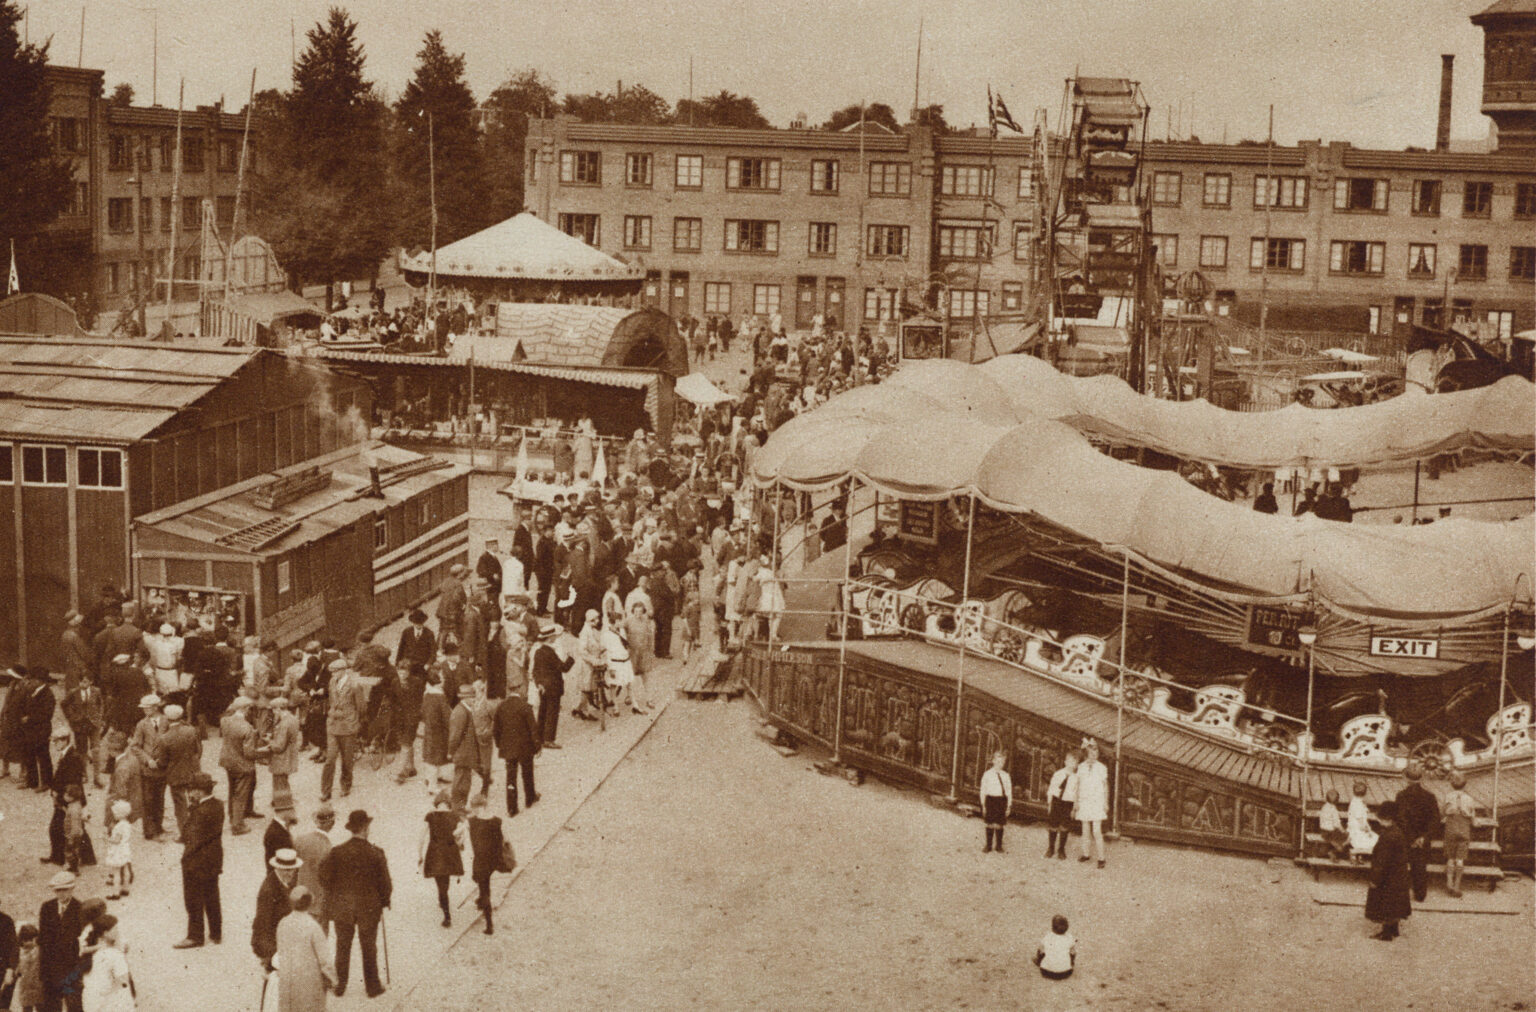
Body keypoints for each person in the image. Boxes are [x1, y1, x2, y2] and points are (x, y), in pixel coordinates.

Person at [319, 810, 391, 999]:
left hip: (343, 908)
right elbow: (386, 884)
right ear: (365, 829)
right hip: (369, 908)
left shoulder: (337, 852)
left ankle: (339, 985)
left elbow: (323, 876)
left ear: (352, 829)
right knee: (369, 947)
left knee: (343, 946)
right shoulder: (376, 853)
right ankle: (372, 987)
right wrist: (384, 901)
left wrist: (335, 892)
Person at [174, 772, 224, 949]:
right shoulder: (217, 805)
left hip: (196, 862)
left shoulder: (200, 811)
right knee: (212, 895)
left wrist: (185, 860)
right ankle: (216, 932)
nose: (189, 793)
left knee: (193, 899)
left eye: (191, 790)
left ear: (199, 792)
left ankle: (195, 936)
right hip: (213, 859)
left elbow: (189, 835)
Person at [274, 887, 336, 1011]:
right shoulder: (313, 927)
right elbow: (324, 960)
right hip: (309, 982)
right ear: (310, 903)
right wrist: (333, 979)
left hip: (287, 981)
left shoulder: (282, 923)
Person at [1364, 799, 1412, 941]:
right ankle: (1394, 929)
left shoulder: (1387, 836)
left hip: (1387, 877)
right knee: (1395, 904)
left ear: (1387, 819)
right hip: (1398, 875)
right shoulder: (1397, 831)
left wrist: (1374, 879)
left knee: (1385, 903)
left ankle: (1386, 933)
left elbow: (1381, 861)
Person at [417, 791, 464, 928]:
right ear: (448, 804)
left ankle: (447, 916)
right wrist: (459, 843)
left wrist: (420, 855)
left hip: (435, 853)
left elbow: (421, 837)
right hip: (450, 853)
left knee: (440, 883)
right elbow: (461, 837)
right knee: (446, 881)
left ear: (437, 804)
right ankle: (443, 902)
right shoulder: (455, 816)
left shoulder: (430, 816)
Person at [320, 660, 364, 803]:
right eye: (332, 672)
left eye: (336, 671)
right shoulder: (332, 682)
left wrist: (355, 722)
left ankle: (345, 786)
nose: (333, 674)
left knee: (347, 759)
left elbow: (361, 707)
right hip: (333, 724)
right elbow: (332, 700)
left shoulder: (354, 685)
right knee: (330, 759)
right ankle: (325, 791)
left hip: (348, 725)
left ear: (344, 670)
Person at [38, 871, 83, 1012]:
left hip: (71, 968)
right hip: (50, 968)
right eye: (58, 890)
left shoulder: (80, 909)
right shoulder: (47, 908)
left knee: (74, 1006)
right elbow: (43, 939)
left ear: (72, 889)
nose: (61, 894)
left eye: (65, 890)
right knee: (51, 1006)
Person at [1395, 763, 1440, 903]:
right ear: (1422, 778)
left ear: (1406, 779)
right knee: (1420, 867)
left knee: (1400, 866)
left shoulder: (1401, 796)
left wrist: (1411, 838)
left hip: (1406, 838)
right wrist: (1423, 837)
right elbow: (1435, 820)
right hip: (1422, 840)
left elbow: (1400, 819)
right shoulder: (1430, 797)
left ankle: (1400, 895)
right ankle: (1420, 895)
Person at [252, 849, 302, 974]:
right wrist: (270, 956)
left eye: (293, 869)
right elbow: (262, 925)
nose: (291, 873)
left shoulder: (283, 882)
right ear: (278, 868)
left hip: (282, 944)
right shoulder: (269, 890)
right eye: (287, 870)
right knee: (273, 986)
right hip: (273, 948)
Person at [492, 688, 540, 816]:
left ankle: (512, 808)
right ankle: (530, 799)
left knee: (510, 778)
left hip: (508, 749)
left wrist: (499, 745)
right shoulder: (525, 707)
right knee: (527, 774)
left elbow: (496, 729)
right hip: (525, 748)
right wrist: (537, 747)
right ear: (520, 691)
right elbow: (533, 729)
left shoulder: (501, 707)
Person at [158, 704, 202, 843]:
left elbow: (163, 761)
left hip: (175, 774)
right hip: (192, 770)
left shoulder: (165, 738)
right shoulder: (191, 731)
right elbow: (198, 750)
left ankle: (185, 834)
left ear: (167, 719)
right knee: (195, 801)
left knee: (180, 805)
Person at [126, 696, 167, 842]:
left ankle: (158, 826)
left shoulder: (166, 721)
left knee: (160, 799)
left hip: (162, 768)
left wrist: (163, 760)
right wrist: (147, 760)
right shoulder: (142, 724)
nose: (144, 710)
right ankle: (149, 831)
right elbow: (135, 746)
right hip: (148, 769)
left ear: (156, 707)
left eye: (147, 707)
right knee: (148, 800)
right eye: (143, 708)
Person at [466, 794, 507, 936]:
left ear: (481, 807)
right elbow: (503, 839)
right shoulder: (496, 821)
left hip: (481, 861)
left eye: (475, 809)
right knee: (480, 880)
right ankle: (480, 901)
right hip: (493, 860)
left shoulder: (472, 822)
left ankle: (489, 925)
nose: (474, 811)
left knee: (484, 890)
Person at [44, 728, 85, 867]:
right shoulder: (67, 754)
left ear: (64, 740)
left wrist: (60, 794)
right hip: (66, 797)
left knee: (56, 828)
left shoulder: (72, 757)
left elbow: (72, 780)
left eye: (56, 741)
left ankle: (58, 858)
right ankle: (86, 858)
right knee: (76, 828)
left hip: (69, 798)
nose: (54, 744)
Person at [219, 697, 259, 835]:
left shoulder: (225, 721)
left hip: (227, 761)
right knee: (240, 794)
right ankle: (237, 825)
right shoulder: (247, 727)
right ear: (246, 709)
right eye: (250, 709)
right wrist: (262, 752)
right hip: (242, 764)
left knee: (232, 790)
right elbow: (249, 753)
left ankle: (232, 817)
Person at [291, 809, 334, 934]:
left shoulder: (301, 839)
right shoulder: (328, 848)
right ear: (331, 823)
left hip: (300, 899)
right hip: (319, 904)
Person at [77, 913, 132, 1012]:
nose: (118, 931)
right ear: (106, 933)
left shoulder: (91, 952)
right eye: (115, 928)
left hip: (91, 1003)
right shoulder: (115, 955)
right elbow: (124, 982)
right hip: (109, 1004)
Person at [530, 624, 573, 748]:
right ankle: (549, 739)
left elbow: (535, 671)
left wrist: (539, 684)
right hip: (553, 686)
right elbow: (563, 668)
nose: (555, 638)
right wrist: (570, 658)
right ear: (550, 638)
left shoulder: (538, 651)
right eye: (553, 636)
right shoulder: (550, 652)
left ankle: (539, 737)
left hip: (543, 687)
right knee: (552, 713)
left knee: (543, 712)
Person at [1441, 771, 1476, 898]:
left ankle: (1449, 883)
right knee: (1460, 859)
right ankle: (1457, 886)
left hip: (1451, 827)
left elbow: (1443, 812)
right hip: (1464, 828)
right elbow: (1472, 815)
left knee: (1450, 858)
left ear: (1452, 785)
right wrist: (1474, 821)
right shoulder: (1470, 799)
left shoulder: (1448, 796)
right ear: (1465, 785)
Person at [1075, 738, 1109, 869]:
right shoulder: (1081, 767)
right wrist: (1076, 802)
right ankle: (1086, 853)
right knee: (1085, 830)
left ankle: (1101, 858)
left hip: (1096, 802)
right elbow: (1078, 785)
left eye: (1096, 754)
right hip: (1084, 801)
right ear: (1086, 755)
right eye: (1091, 755)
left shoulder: (1101, 768)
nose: (1094, 757)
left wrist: (1105, 802)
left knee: (1096, 831)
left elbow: (1105, 786)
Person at [265, 697, 302, 817]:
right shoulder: (293, 719)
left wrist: (269, 741)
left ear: (279, 709)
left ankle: (284, 808)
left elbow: (279, 746)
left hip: (282, 757)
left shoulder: (284, 723)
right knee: (283, 780)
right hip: (290, 754)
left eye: (274, 710)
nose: (273, 713)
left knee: (279, 782)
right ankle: (281, 802)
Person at [418, 665, 452, 792]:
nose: (444, 678)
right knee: (434, 757)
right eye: (442, 676)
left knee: (432, 755)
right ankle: (432, 786)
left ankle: (436, 777)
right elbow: (447, 717)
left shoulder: (427, 694)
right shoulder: (440, 697)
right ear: (438, 680)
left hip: (430, 729)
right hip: (439, 732)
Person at [1045, 749, 1079, 860]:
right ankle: (1051, 848)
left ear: (1076, 765)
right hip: (1056, 801)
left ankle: (1061, 849)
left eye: (1074, 762)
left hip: (1068, 803)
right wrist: (1050, 803)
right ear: (1065, 762)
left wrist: (1074, 808)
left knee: (1064, 826)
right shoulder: (1058, 774)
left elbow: (1076, 794)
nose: (1071, 764)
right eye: (1070, 761)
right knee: (1053, 825)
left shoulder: (1076, 778)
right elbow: (1051, 789)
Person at [978, 750, 1012, 853]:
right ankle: (988, 845)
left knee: (999, 824)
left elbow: (1009, 791)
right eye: (997, 761)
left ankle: (999, 845)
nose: (999, 764)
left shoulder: (1006, 775)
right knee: (989, 823)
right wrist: (983, 804)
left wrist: (1009, 805)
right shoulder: (987, 774)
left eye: (1002, 762)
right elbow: (983, 790)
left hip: (1001, 801)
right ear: (993, 761)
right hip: (990, 800)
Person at [1033, 914, 1077, 981]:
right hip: (1065, 972)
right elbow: (1073, 953)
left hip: (1046, 971)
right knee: (1071, 951)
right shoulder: (1069, 937)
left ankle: (1038, 961)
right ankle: (1068, 964)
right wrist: (1071, 961)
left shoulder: (1048, 936)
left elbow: (1041, 950)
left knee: (1041, 949)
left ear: (1052, 927)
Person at [13, 921, 43, 1012]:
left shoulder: (37, 951)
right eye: (28, 940)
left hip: (37, 987)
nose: (30, 942)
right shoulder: (20, 953)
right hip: (28, 987)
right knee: (28, 1008)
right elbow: (16, 971)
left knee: (38, 1007)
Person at [1346, 779, 1378, 858]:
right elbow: (1360, 821)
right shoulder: (1358, 804)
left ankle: (1359, 856)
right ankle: (1354, 852)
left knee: (1371, 840)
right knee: (1374, 839)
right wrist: (1367, 830)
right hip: (1357, 829)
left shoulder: (1356, 801)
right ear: (1365, 794)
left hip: (1357, 827)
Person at [1318, 788, 1349, 860]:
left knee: (1340, 839)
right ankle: (1334, 852)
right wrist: (1343, 830)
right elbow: (1337, 824)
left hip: (1323, 832)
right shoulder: (1333, 809)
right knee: (1348, 838)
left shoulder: (1324, 807)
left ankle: (1334, 851)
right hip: (1331, 833)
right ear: (1337, 800)